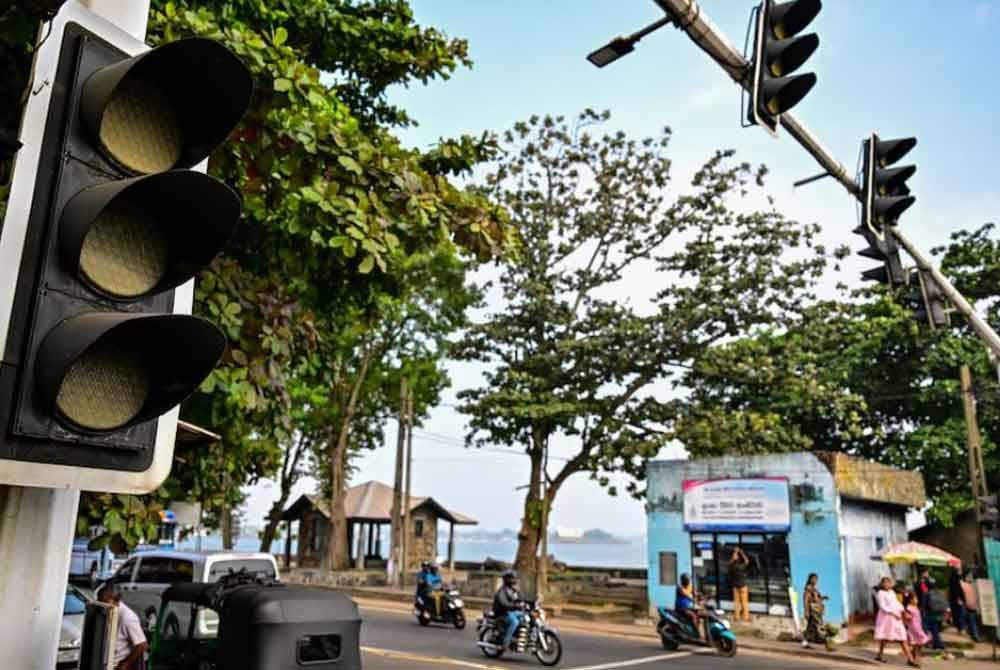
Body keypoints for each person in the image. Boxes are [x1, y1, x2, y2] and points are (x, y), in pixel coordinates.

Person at [98, 583, 148, 670]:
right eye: (100, 601)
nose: (102, 606)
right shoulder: (104, 611)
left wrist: (125, 664)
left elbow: (142, 645)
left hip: (115, 665)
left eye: (105, 603)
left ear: (116, 602)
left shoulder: (128, 618)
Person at [874, 577, 917, 667]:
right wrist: (893, 614)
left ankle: (910, 659)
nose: (887, 584)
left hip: (896, 617)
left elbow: (897, 603)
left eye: (888, 583)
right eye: (885, 583)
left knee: (902, 637)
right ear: (882, 584)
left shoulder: (892, 592)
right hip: (887, 618)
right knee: (885, 637)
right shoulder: (880, 593)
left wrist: (904, 612)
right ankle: (879, 655)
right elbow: (882, 606)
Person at [494, 570, 524, 649]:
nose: (514, 580)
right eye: (512, 578)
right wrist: (516, 606)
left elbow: (520, 598)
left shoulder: (511, 589)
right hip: (502, 613)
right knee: (515, 622)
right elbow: (504, 604)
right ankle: (506, 642)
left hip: (510, 611)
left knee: (524, 617)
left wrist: (519, 593)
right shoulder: (501, 591)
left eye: (515, 578)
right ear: (507, 579)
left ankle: (517, 636)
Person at [802, 573, 830, 649]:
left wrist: (823, 597)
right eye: (814, 579)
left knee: (810, 627)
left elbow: (817, 599)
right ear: (810, 579)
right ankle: (827, 643)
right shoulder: (808, 589)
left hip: (817, 610)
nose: (815, 581)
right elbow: (806, 599)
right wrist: (806, 611)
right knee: (820, 625)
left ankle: (805, 642)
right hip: (812, 610)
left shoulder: (815, 589)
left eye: (816, 579)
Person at [903, 591, 930, 666]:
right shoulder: (908, 608)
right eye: (915, 599)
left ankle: (914, 659)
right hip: (914, 629)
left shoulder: (915, 607)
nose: (917, 600)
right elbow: (907, 617)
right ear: (910, 600)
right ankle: (916, 660)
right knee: (917, 644)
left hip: (918, 627)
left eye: (916, 599)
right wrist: (907, 616)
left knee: (918, 644)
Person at [676, 573, 702, 639]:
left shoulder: (689, 586)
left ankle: (694, 629)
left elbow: (694, 593)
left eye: (688, 580)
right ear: (682, 581)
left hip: (689, 606)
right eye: (686, 580)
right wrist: (695, 600)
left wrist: (700, 595)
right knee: (692, 616)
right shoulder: (679, 588)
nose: (688, 581)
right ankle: (697, 635)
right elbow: (686, 595)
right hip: (681, 608)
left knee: (700, 614)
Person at [728, 548, 750, 624]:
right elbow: (747, 561)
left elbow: (730, 562)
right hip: (743, 586)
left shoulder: (732, 567)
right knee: (744, 602)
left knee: (736, 603)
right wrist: (742, 553)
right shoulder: (742, 566)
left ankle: (736, 617)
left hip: (735, 586)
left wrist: (735, 552)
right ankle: (745, 617)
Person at [960, 571, 981, 642]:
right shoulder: (963, 585)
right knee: (969, 620)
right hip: (966, 605)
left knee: (972, 621)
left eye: (971, 576)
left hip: (971, 606)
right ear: (965, 577)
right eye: (969, 576)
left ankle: (975, 635)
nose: (970, 578)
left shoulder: (972, 585)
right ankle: (973, 635)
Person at [949, 568, 966, 634]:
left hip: (953, 599)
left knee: (956, 614)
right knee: (960, 614)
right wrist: (959, 599)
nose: (960, 572)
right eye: (959, 571)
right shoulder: (956, 580)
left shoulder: (952, 579)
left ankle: (959, 628)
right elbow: (957, 590)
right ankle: (961, 628)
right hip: (957, 599)